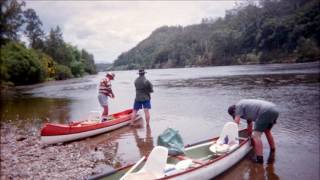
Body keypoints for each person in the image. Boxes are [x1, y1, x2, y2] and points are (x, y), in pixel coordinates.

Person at [227, 99, 279, 164]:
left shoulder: (238, 107)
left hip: (265, 111)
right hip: (274, 109)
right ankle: (272, 150)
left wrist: (230, 136)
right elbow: (250, 124)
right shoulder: (246, 108)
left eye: (234, 115)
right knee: (267, 131)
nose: (236, 116)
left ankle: (259, 160)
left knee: (256, 136)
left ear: (234, 111)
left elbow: (235, 123)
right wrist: (249, 136)